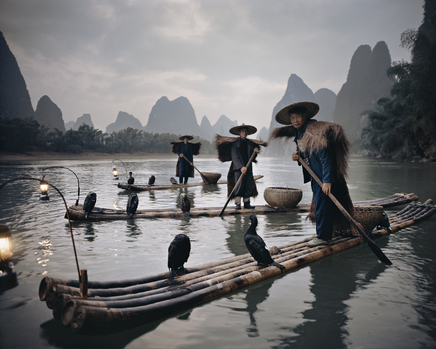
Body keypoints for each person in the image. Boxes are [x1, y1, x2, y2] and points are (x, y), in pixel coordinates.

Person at [270, 101, 355, 247]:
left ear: (305, 116)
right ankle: (320, 233)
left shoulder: (314, 132)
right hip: (315, 176)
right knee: (319, 204)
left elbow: (326, 158)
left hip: (324, 177)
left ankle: (323, 237)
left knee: (322, 205)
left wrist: (327, 180)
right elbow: (305, 156)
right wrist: (297, 157)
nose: (295, 120)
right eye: (292, 118)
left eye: (298, 117)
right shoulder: (299, 133)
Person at [215, 123, 266, 210]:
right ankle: (238, 204)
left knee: (248, 186)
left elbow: (252, 157)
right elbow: (235, 156)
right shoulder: (234, 144)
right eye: (242, 131)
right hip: (238, 169)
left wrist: (255, 152)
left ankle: (247, 203)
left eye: (246, 131)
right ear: (239, 132)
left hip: (248, 167)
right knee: (238, 186)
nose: (244, 133)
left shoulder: (250, 144)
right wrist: (241, 167)